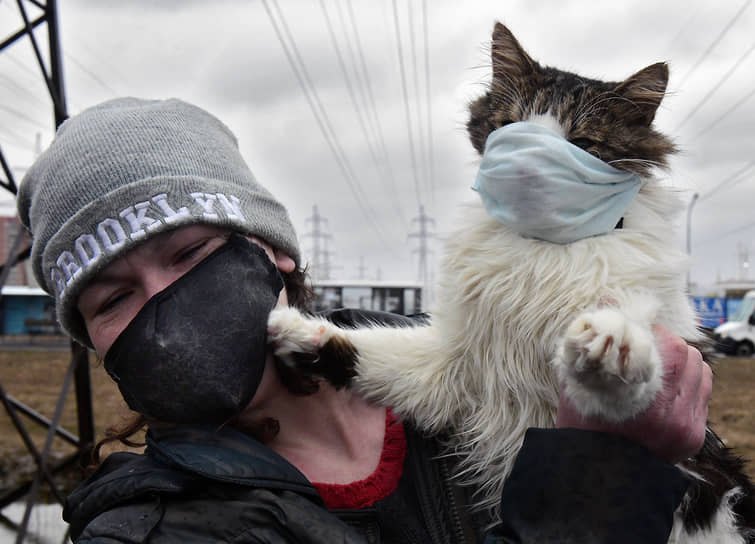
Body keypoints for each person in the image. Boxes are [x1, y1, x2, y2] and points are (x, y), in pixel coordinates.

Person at [17, 97, 711, 543]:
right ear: (92, 341)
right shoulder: (149, 530)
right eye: (111, 300)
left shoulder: (459, 376)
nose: (163, 304)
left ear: (274, 252)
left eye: (190, 253)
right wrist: (604, 474)